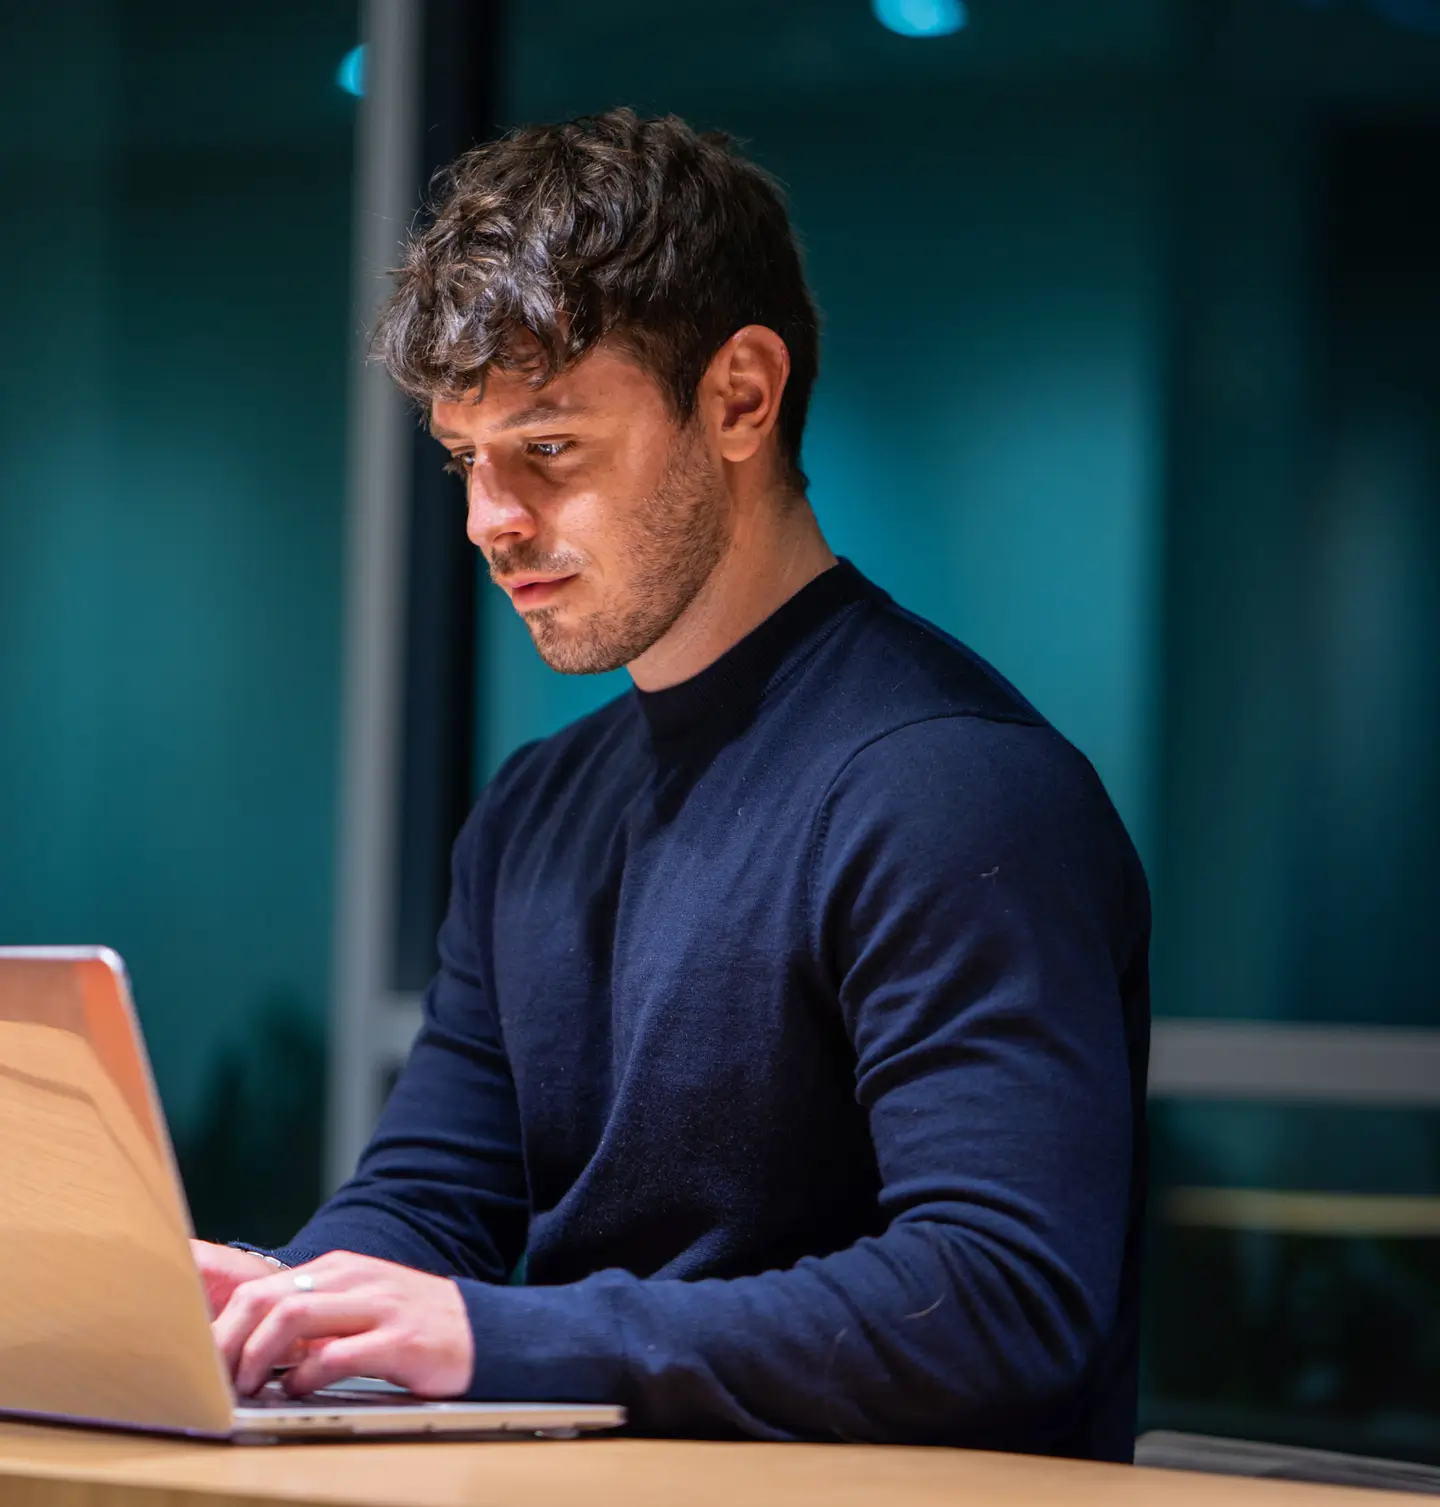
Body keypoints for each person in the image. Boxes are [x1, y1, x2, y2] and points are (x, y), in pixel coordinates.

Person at [194, 108, 1150, 1461]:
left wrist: (495, 1336)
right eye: (465, 458)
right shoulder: (533, 812)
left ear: (742, 397)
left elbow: (1000, 1297)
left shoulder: (951, 788)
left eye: (549, 448)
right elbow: (427, 1197)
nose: (488, 520)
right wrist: (287, 1305)